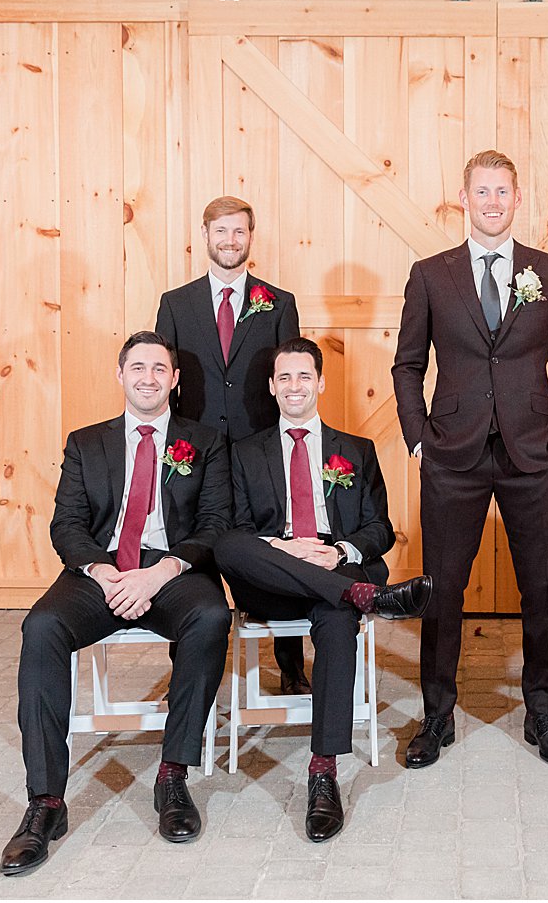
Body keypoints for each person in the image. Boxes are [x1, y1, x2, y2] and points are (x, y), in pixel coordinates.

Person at [2, 332, 232, 875]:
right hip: (101, 571)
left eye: (160, 368)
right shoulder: (87, 443)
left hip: (173, 569)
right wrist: (105, 573)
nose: (148, 377)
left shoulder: (205, 442)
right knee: (41, 628)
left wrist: (158, 574)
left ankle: (172, 776)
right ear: (120, 375)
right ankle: (45, 802)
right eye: (138, 367)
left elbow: (217, 524)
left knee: (211, 616)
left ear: (174, 380)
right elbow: (68, 524)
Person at [391, 149, 548, 769]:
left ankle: (542, 714)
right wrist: (419, 435)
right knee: (442, 588)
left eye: (503, 192)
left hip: (534, 449)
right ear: (464, 197)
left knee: (541, 587)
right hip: (452, 451)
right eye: (482, 192)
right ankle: (436, 716)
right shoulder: (431, 273)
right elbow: (407, 364)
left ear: (518, 198)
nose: (493, 203)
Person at [215, 337, 432, 841]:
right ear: (271, 387)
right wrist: (288, 551)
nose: (295, 387)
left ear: (321, 382)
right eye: (284, 378)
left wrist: (336, 553)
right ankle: (364, 598)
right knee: (228, 545)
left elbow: (379, 527)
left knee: (336, 618)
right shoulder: (245, 454)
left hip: (335, 570)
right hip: (273, 577)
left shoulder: (356, 450)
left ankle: (322, 771)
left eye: (304, 376)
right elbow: (240, 527)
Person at [155, 195, 310, 696]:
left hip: (260, 454)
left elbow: (288, 377)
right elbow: (164, 380)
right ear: (204, 236)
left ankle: (290, 664)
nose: (229, 240)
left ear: (250, 236)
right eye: (220, 231)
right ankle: (188, 664)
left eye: (238, 231)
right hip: (196, 456)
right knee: (193, 550)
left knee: (274, 545)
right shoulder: (176, 304)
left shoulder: (278, 302)